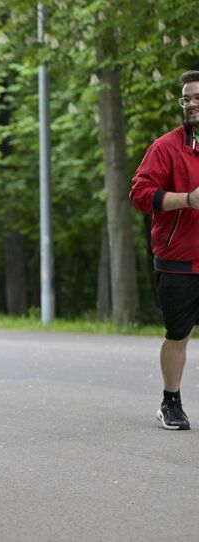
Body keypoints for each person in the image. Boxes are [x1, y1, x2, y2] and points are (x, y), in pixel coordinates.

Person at [130, 69, 199, 431]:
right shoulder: (166, 147)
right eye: (187, 98)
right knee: (178, 335)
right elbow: (140, 195)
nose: (192, 104)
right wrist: (187, 199)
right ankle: (170, 402)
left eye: (198, 97)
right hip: (178, 261)